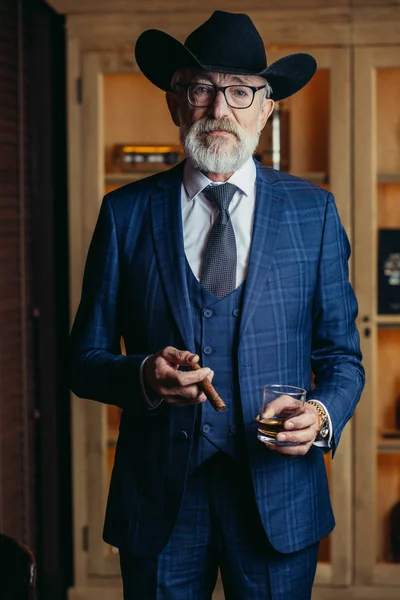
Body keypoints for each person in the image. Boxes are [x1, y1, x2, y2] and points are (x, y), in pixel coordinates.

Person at [69, 10, 365, 600]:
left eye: (239, 91)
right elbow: (84, 358)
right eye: (200, 88)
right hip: (159, 501)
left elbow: (342, 356)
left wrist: (323, 417)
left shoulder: (315, 213)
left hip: (279, 496)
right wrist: (144, 375)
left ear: (266, 107)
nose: (219, 108)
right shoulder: (124, 214)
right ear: (176, 103)